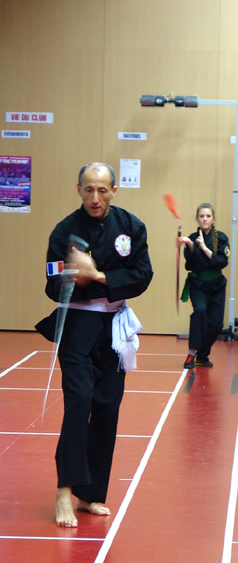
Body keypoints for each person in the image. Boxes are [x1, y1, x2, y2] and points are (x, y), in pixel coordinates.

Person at [37, 162, 153, 528]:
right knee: (79, 402)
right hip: (76, 325)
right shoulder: (65, 230)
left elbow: (142, 275)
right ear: (79, 190)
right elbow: (51, 278)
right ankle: (64, 491)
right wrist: (72, 274)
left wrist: (98, 275)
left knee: (107, 406)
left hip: (114, 327)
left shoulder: (131, 226)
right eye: (89, 190)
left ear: (114, 191)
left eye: (102, 190)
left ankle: (90, 494)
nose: (95, 198)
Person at [178, 203, 230, 368]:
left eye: (208, 216)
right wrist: (191, 245)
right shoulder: (192, 237)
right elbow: (191, 263)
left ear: (213, 218)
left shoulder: (221, 238)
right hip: (198, 284)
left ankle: (202, 355)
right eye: (202, 216)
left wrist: (204, 247)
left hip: (217, 286)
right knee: (199, 312)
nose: (205, 219)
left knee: (216, 324)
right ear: (197, 218)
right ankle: (191, 353)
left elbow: (222, 261)